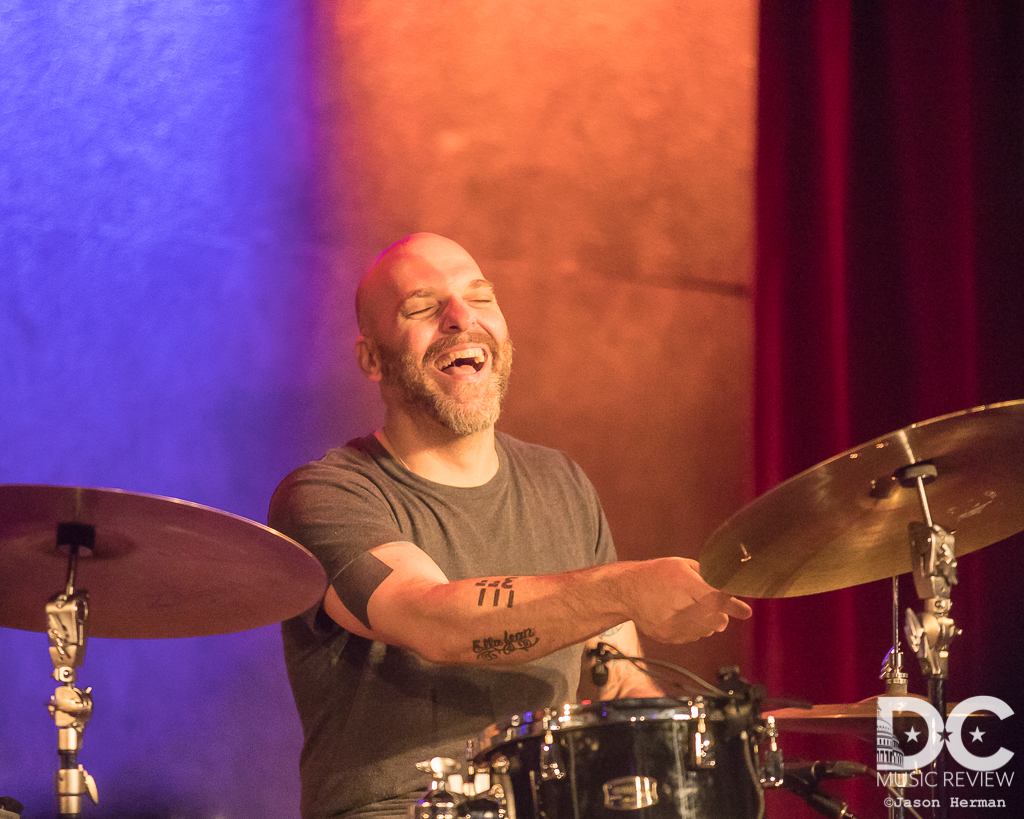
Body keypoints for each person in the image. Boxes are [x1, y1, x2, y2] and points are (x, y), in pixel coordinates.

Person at [268, 233, 752, 819]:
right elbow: (435, 620)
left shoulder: (560, 482)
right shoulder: (326, 494)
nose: (461, 317)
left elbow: (619, 681)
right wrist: (625, 588)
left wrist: (690, 753)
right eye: (422, 308)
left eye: (481, 298)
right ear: (371, 358)